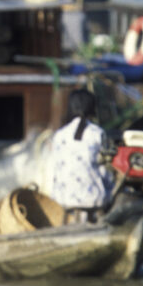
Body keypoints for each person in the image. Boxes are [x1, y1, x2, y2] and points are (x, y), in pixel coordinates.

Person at [48, 88, 115, 221]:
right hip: (92, 199)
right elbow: (105, 170)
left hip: (62, 198)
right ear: (92, 108)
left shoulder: (59, 134)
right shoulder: (97, 133)